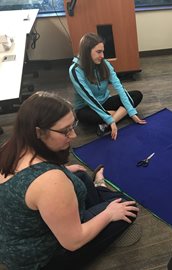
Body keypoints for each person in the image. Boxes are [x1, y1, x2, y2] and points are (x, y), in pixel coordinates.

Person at [0, 92, 139, 270]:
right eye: (66, 130)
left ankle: (98, 195)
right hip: (43, 259)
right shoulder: (50, 181)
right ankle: (100, 189)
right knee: (127, 206)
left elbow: (25, 182)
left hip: (16, 240)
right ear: (38, 132)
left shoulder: (11, 147)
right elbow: (73, 241)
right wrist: (109, 214)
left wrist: (63, 171)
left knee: (79, 175)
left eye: (72, 126)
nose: (73, 135)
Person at [69, 32, 146, 140]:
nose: (102, 56)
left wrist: (132, 113)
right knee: (84, 116)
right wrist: (123, 113)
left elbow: (119, 87)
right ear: (87, 52)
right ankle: (118, 115)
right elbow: (89, 98)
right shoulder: (75, 70)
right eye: (98, 52)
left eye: (103, 52)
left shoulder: (104, 64)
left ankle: (105, 124)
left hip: (105, 102)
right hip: (87, 107)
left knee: (137, 95)